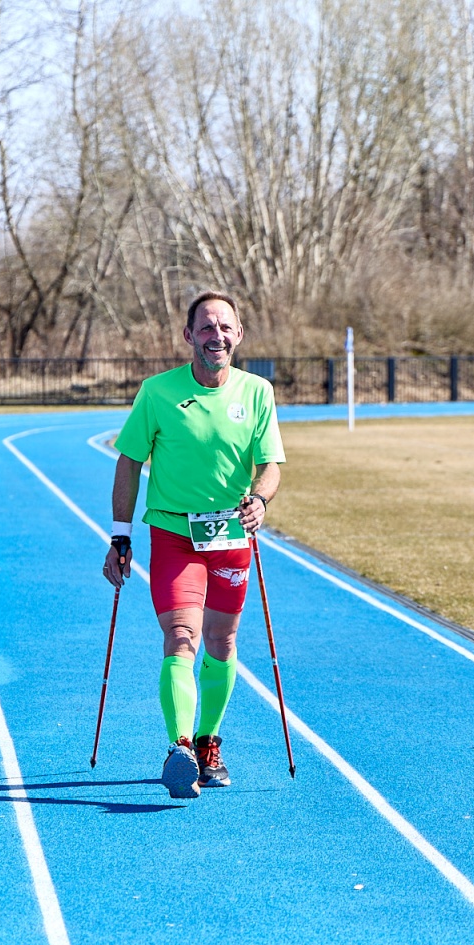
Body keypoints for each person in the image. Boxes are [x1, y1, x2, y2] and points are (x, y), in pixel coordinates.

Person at [102, 291, 285, 799]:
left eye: (225, 327)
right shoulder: (157, 392)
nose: (216, 336)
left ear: (239, 334)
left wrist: (260, 500)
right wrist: (120, 535)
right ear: (188, 336)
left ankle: (207, 742)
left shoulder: (257, 392)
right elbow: (128, 460)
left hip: (230, 536)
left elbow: (269, 465)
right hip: (174, 535)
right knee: (182, 636)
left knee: (222, 642)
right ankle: (179, 747)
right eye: (206, 327)